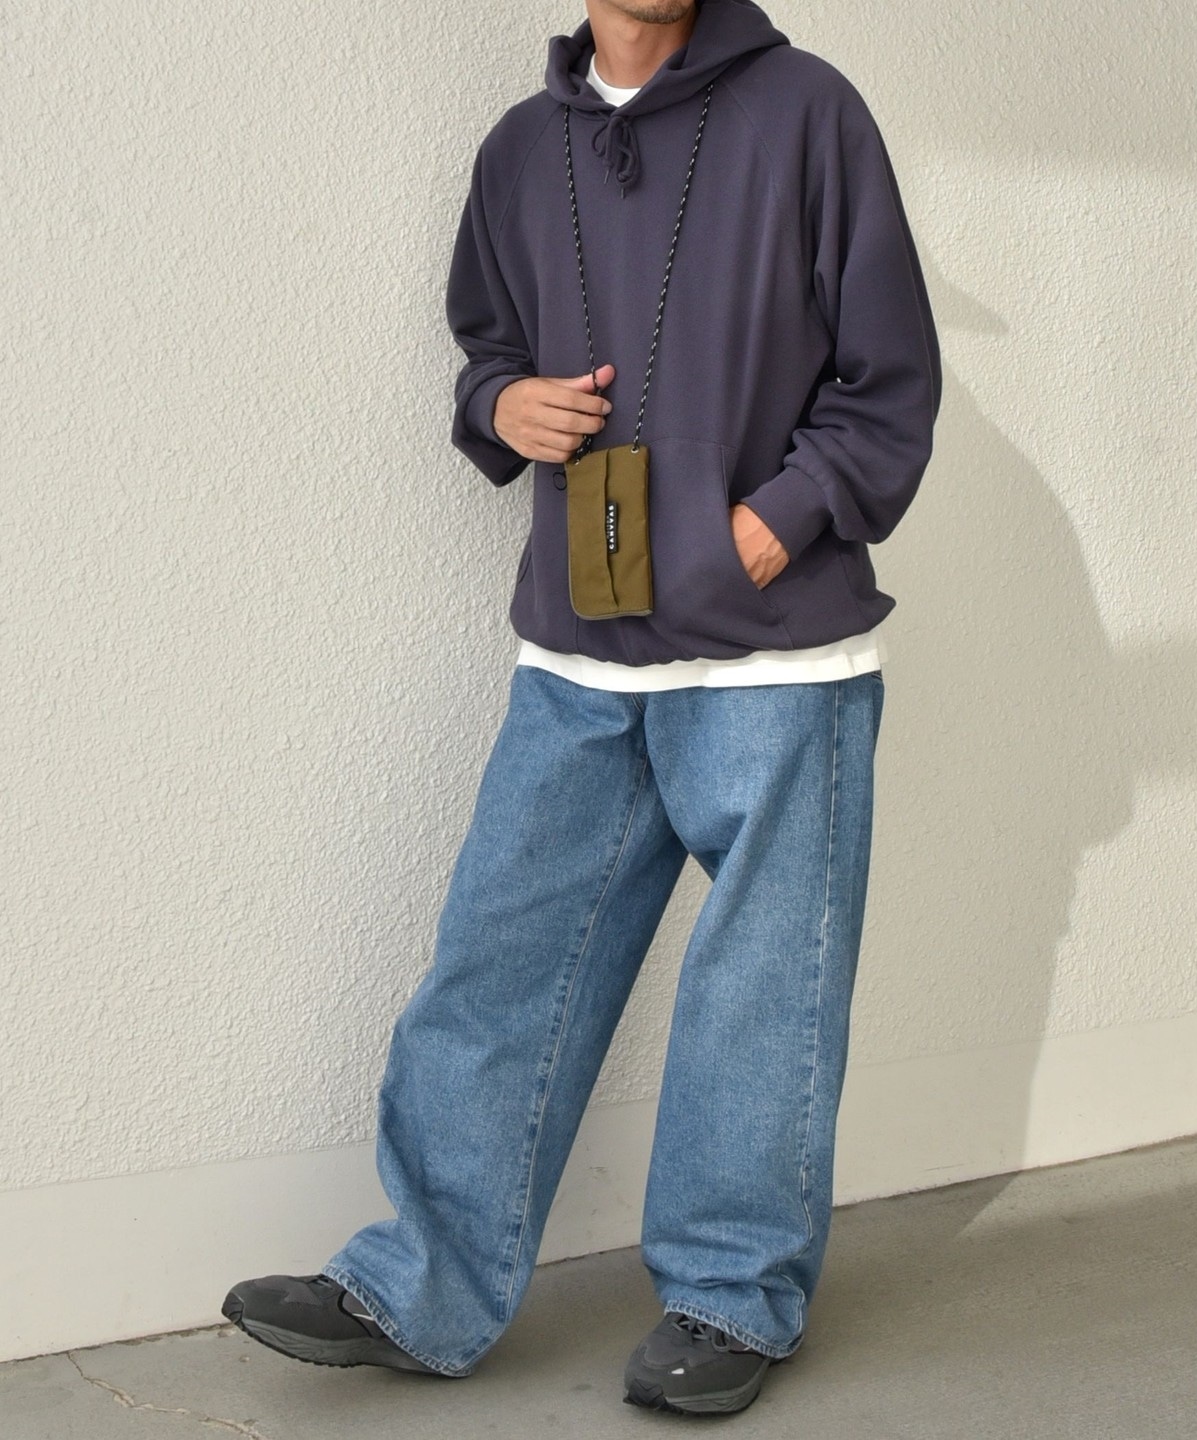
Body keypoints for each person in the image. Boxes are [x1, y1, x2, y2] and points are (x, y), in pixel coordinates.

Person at [223, 0, 940, 1417]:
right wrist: (502, 407)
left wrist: (772, 524)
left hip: (776, 656)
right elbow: (485, 350)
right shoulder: (516, 152)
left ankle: (731, 1299)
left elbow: (891, 378)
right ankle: (421, 1284)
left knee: (762, 995)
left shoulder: (810, 112)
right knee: (500, 962)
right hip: (581, 646)